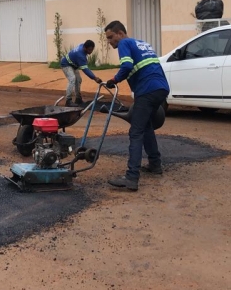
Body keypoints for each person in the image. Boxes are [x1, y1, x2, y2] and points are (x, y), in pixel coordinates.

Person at [103, 20, 170, 191]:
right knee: (145, 125)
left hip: (147, 91)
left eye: (111, 37)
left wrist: (114, 80)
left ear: (120, 33)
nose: (110, 41)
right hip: (161, 89)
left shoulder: (125, 43)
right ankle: (155, 164)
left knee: (136, 131)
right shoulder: (142, 43)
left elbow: (126, 66)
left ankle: (131, 178)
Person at [60, 40, 102, 106]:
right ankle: (68, 101)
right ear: (85, 48)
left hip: (73, 65)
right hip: (66, 64)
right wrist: (95, 78)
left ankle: (78, 99)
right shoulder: (80, 55)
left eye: (92, 50)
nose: (91, 52)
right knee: (72, 79)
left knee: (78, 79)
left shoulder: (83, 45)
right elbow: (85, 70)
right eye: (89, 50)